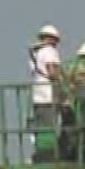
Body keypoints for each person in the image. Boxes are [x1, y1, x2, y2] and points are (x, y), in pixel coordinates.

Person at [28, 24, 64, 158]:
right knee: (51, 128)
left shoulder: (35, 53)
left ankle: (41, 154)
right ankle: (50, 155)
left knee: (41, 128)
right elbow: (52, 70)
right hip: (49, 95)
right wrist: (64, 85)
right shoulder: (49, 51)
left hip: (37, 95)